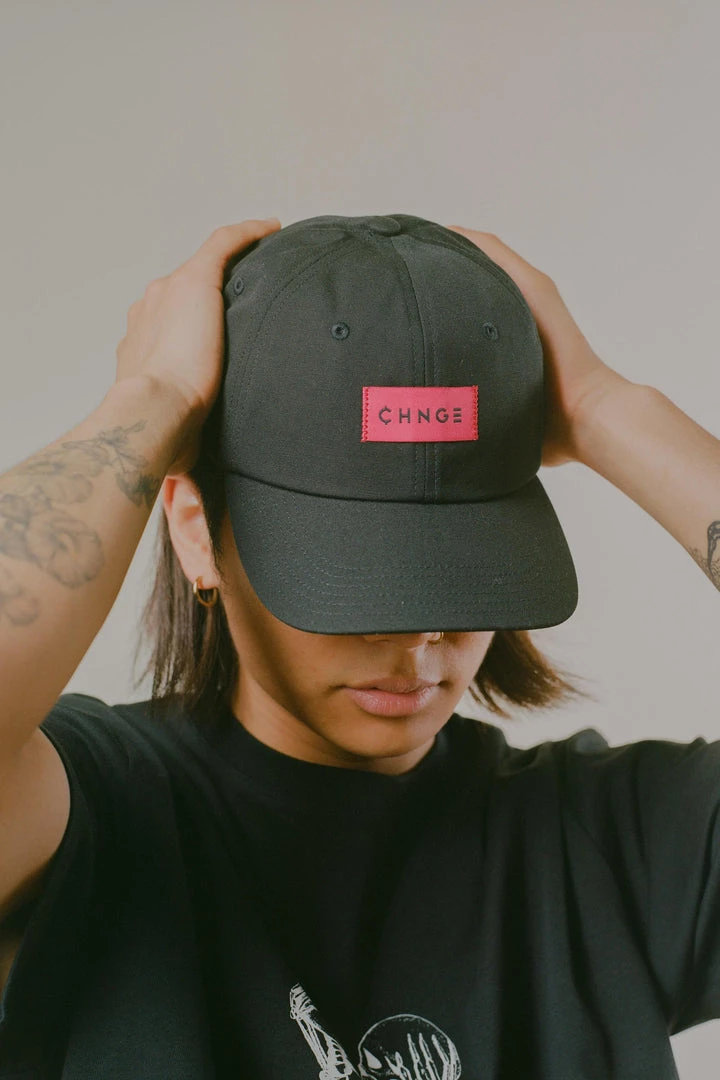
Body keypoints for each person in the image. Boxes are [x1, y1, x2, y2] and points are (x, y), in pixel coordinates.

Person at [0, 213, 718, 1078]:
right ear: (197, 531)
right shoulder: (91, 818)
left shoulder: (624, 846)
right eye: (350, 575)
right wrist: (150, 401)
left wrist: (609, 409)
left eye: (462, 568)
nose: (418, 637)